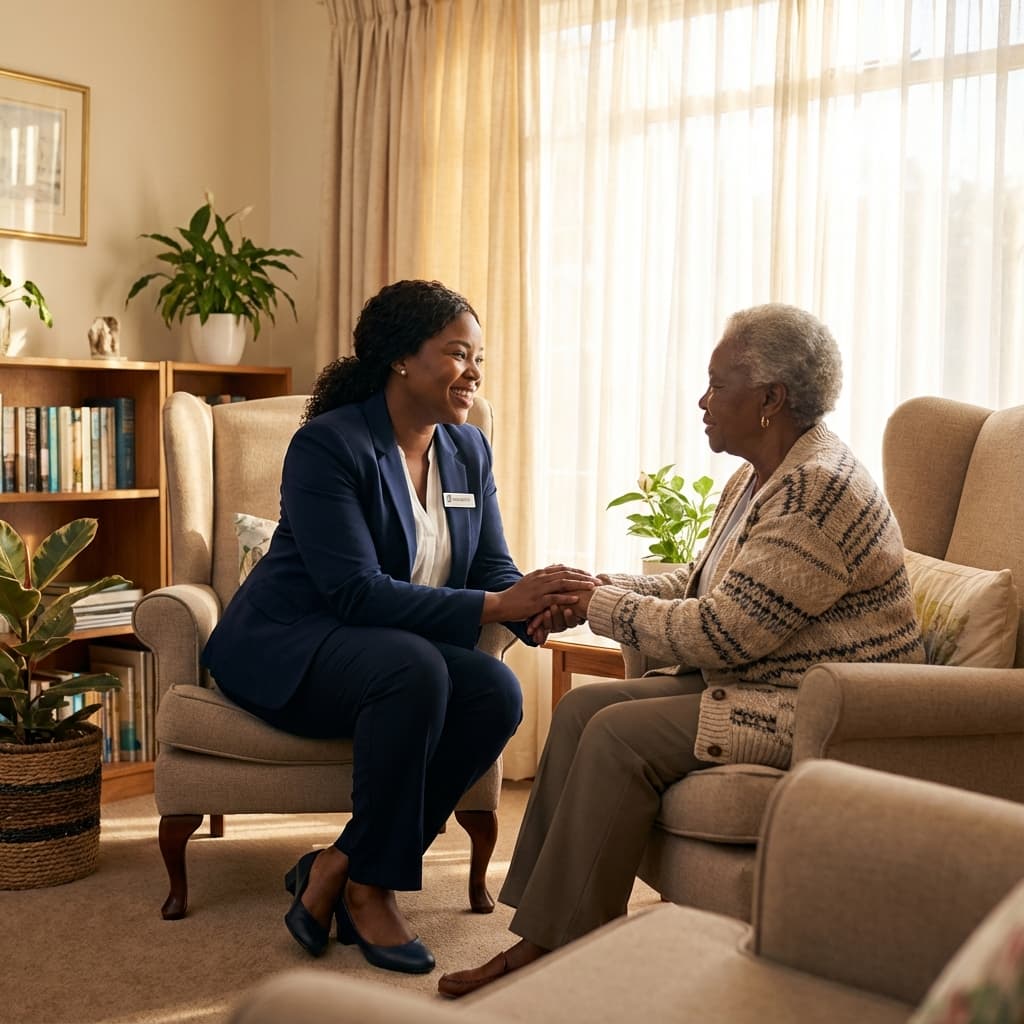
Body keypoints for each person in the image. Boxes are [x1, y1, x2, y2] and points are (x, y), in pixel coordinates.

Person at [438, 302, 926, 997]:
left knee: (616, 735)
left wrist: (595, 606)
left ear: (769, 399)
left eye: (717, 383)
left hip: (821, 709)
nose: (703, 399)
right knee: (580, 714)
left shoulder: (817, 490)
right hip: (761, 680)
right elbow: (703, 583)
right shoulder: (762, 472)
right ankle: (544, 935)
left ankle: (558, 952)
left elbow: (722, 631)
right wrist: (599, 585)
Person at [202, 279, 596, 975]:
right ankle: (374, 893)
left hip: (385, 655)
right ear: (401, 361)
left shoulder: (468, 450)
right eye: (457, 354)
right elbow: (352, 592)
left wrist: (541, 603)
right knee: (415, 668)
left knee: (497, 694)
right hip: (288, 644)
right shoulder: (330, 446)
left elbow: (493, 567)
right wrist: (499, 607)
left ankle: (342, 867)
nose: (474, 372)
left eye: (479, 357)